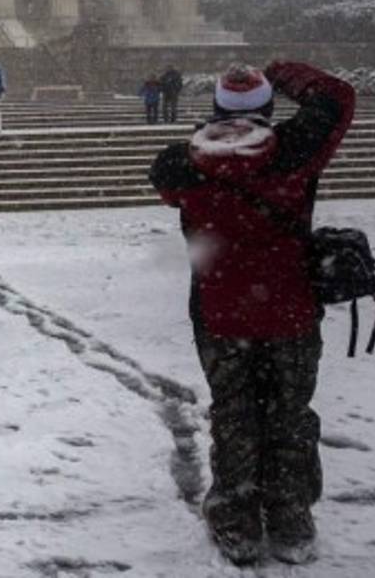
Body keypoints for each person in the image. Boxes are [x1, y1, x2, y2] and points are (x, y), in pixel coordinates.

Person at [148, 62, 355, 567]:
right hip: (290, 307)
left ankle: (236, 520)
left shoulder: (181, 165)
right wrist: (279, 71)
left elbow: (166, 179)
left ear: (216, 106)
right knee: (289, 414)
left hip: (221, 311)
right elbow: (337, 97)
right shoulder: (294, 150)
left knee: (234, 414)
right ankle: (290, 520)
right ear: (266, 107)